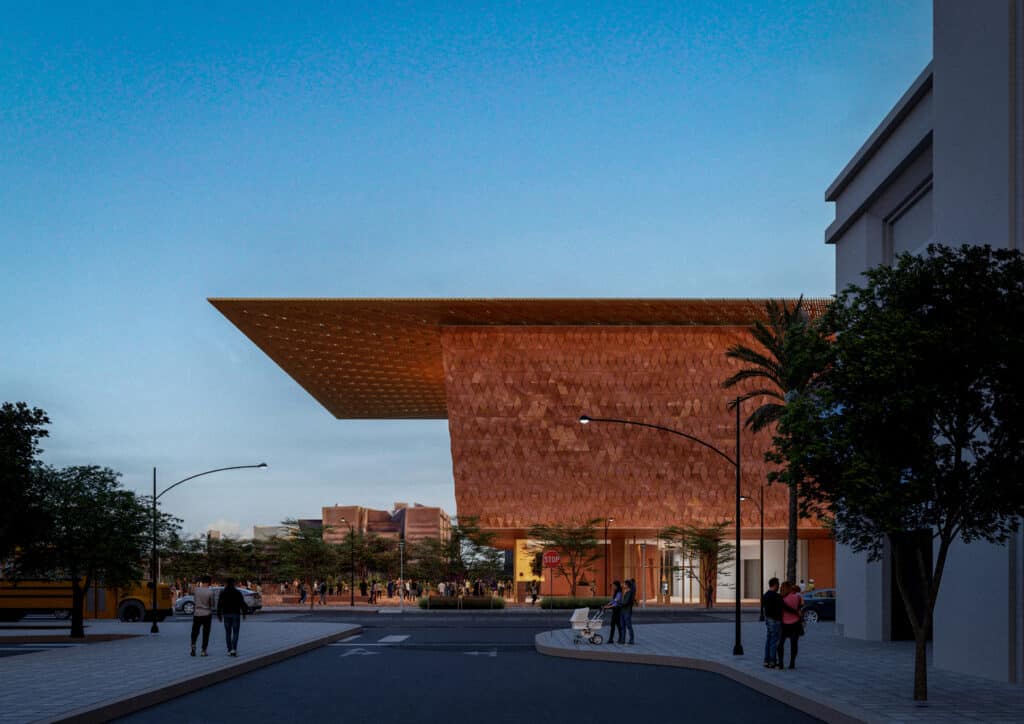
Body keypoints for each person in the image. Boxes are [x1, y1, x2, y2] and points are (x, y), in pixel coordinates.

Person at [216, 577, 250, 657]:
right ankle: (234, 649)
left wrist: (219, 615)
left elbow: (219, 604)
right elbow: (242, 603)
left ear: (226, 583)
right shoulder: (237, 592)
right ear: (233, 583)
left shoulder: (223, 592)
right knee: (235, 633)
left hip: (226, 614)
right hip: (236, 614)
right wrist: (244, 613)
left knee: (228, 633)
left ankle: (229, 650)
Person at [778, 582, 804, 670]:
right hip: (795, 623)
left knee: (780, 644)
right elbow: (800, 607)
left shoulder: (781, 598)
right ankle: (792, 663)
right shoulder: (798, 597)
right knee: (794, 644)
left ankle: (781, 663)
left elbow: (780, 611)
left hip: (784, 624)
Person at [761, 577, 783, 668]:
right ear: (775, 585)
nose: (778, 586)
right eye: (778, 584)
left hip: (768, 619)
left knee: (769, 639)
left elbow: (764, 607)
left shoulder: (765, 595)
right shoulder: (776, 596)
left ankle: (766, 660)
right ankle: (772, 661)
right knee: (774, 640)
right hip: (775, 620)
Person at [190, 575, 214, 657]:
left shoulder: (196, 590)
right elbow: (212, 604)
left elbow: (193, 597)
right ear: (209, 582)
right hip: (207, 613)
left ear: (202, 582)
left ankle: (193, 646)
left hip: (197, 613)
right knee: (206, 633)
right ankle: (203, 650)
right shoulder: (210, 592)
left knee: (195, 631)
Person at [603, 581, 623, 645]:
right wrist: (607, 604)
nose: (613, 587)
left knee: (618, 625)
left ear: (617, 586)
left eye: (614, 586)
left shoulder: (619, 593)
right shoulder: (616, 592)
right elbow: (613, 600)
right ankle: (611, 639)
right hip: (615, 610)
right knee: (613, 625)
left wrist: (608, 607)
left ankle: (620, 638)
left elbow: (616, 603)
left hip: (617, 610)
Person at [619, 579, 636, 644]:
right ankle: (623, 640)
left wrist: (619, 603)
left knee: (628, 626)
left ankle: (631, 640)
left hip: (627, 611)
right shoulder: (625, 591)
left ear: (627, 585)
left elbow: (626, 602)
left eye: (624, 584)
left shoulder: (630, 592)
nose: (623, 585)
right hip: (623, 611)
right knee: (622, 626)